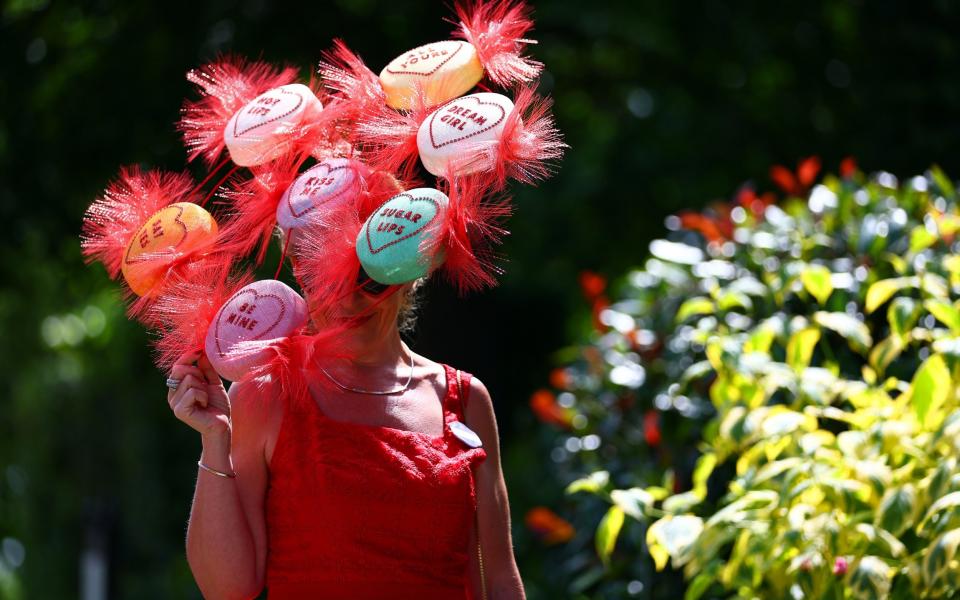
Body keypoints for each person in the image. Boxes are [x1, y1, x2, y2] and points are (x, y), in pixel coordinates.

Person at [164, 281, 526, 599]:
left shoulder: (465, 398)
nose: (347, 301)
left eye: (367, 279)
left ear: (408, 269)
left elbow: (500, 581)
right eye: (326, 279)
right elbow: (227, 588)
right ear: (300, 271)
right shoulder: (267, 392)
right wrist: (214, 439)